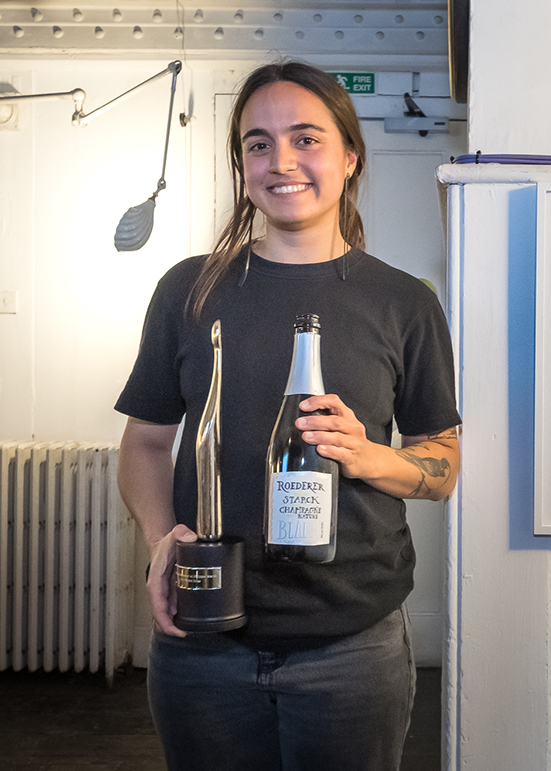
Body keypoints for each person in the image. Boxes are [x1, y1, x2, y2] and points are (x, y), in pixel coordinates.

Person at [115, 61, 461, 771]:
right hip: (202, 638)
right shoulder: (189, 290)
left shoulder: (404, 304)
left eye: (306, 138)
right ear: (241, 164)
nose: (282, 161)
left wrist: (372, 456)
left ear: (349, 155)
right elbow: (146, 444)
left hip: (352, 648)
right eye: (258, 143)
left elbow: (443, 464)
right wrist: (158, 539)